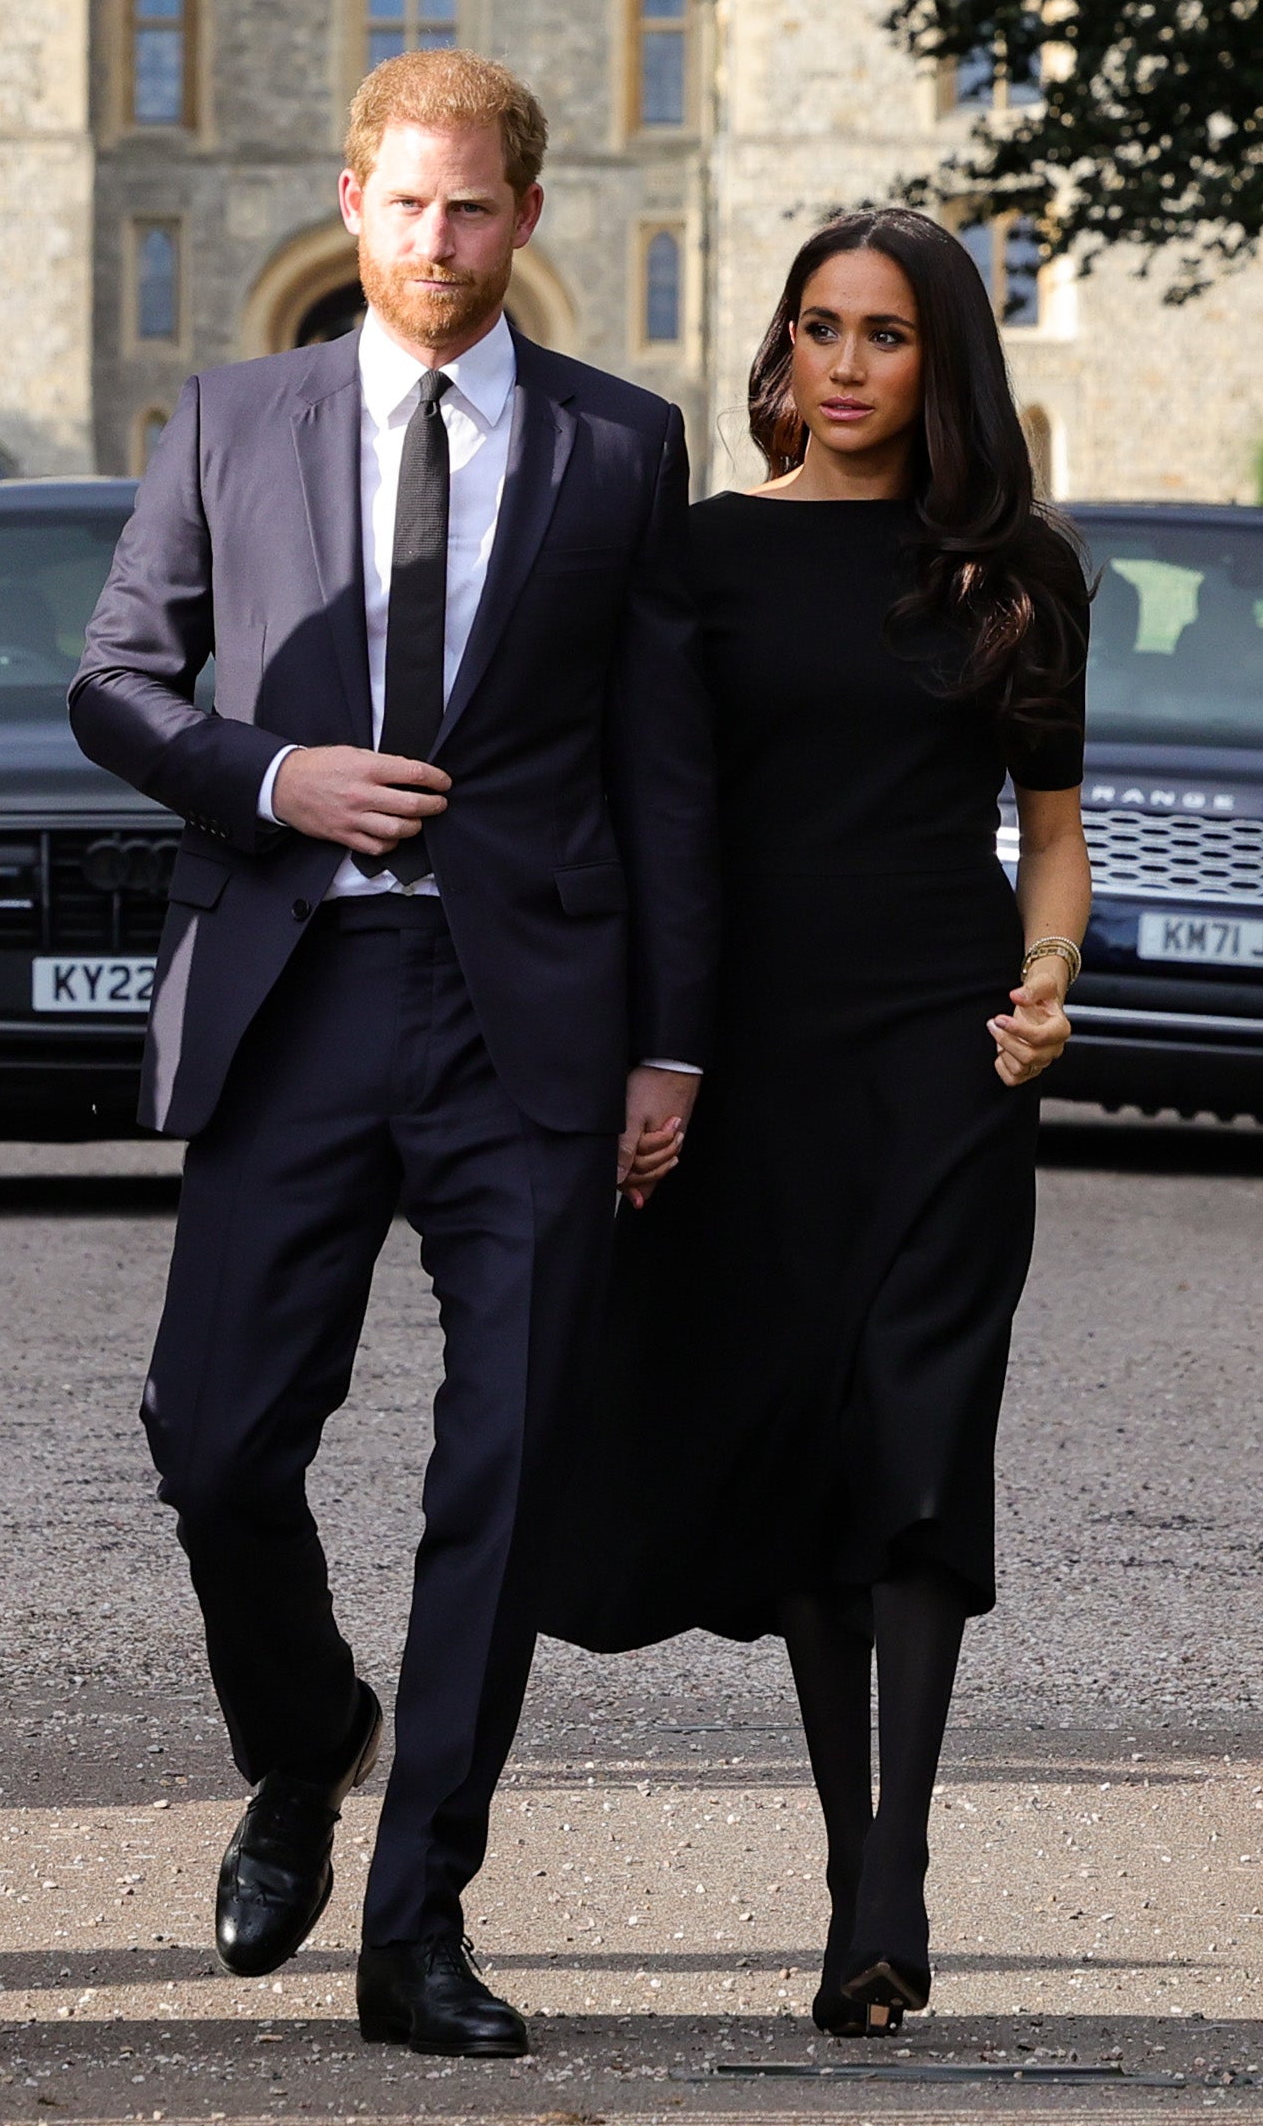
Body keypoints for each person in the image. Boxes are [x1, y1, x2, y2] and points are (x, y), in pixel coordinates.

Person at [70, 50, 717, 2057]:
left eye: (476, 210)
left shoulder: (623, 447)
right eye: (405, 204)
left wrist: (673, 1047)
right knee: (213, 1436)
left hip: (535, 1019)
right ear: (350, 196)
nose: (438, 246)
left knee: (504, 1473)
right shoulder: (230, 418)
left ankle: (420, 1918)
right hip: (298, 996)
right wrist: (268, 772)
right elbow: (112, 685)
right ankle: (306, 1735)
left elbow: (665, 772)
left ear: (529, 219)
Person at [538, 207, 1091, 2038]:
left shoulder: (1014, 569)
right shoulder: (697, 560)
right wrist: (646, 1056)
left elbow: (1055, 832)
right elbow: (652, 822)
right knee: (804, 1454)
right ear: (785, 350)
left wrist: (1048, 984)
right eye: (822, 329)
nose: (849, 364)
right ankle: (852, 1847)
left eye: (888, 334)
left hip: (943, 1059)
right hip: (751, 1061)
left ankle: (892, 1872)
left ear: (943, 362)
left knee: (921, 1440)